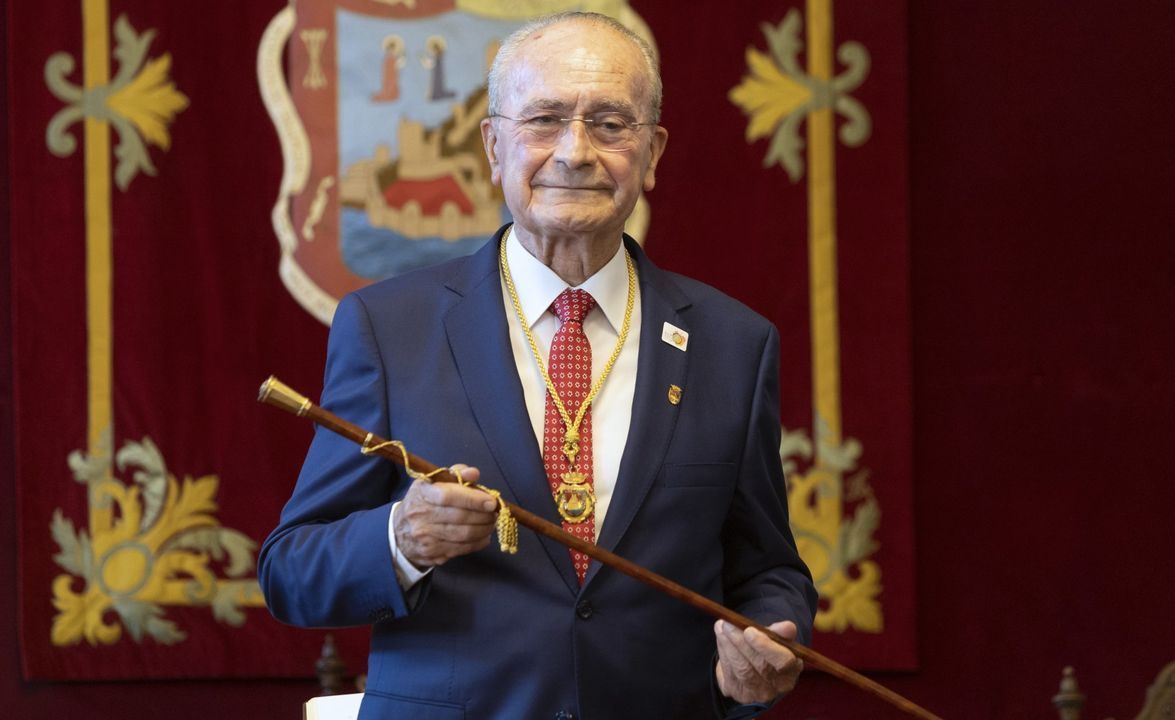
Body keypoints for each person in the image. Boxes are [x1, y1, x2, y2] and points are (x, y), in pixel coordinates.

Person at [259, 12, 817, 720]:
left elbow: (768, 569)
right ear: (494, 147)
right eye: (545, 120)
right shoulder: (389, 328)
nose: (575, 152)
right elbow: (291, 570)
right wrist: (401, 539)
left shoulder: (734, 343)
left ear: (652, 154)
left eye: (610, 125)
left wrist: (765, 641)